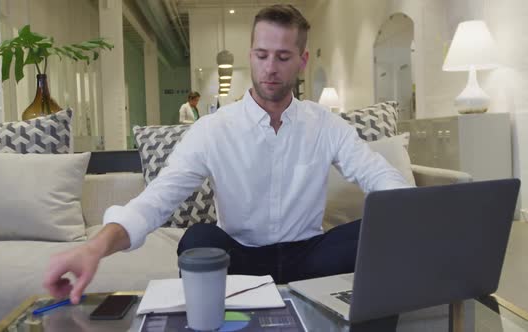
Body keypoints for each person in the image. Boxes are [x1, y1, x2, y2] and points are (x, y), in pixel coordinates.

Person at [43, 4, 411, 304]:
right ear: (250, 55)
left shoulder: (325, 124)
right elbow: (156, 200)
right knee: (198, 239)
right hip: (242, 257)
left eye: (283, 57)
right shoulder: (213, 129)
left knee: (376, 232)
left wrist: (419, 220)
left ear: (301, 61)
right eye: (262, 55)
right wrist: (95, 247)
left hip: (309, 255)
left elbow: (380, 176)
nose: (269, 68)